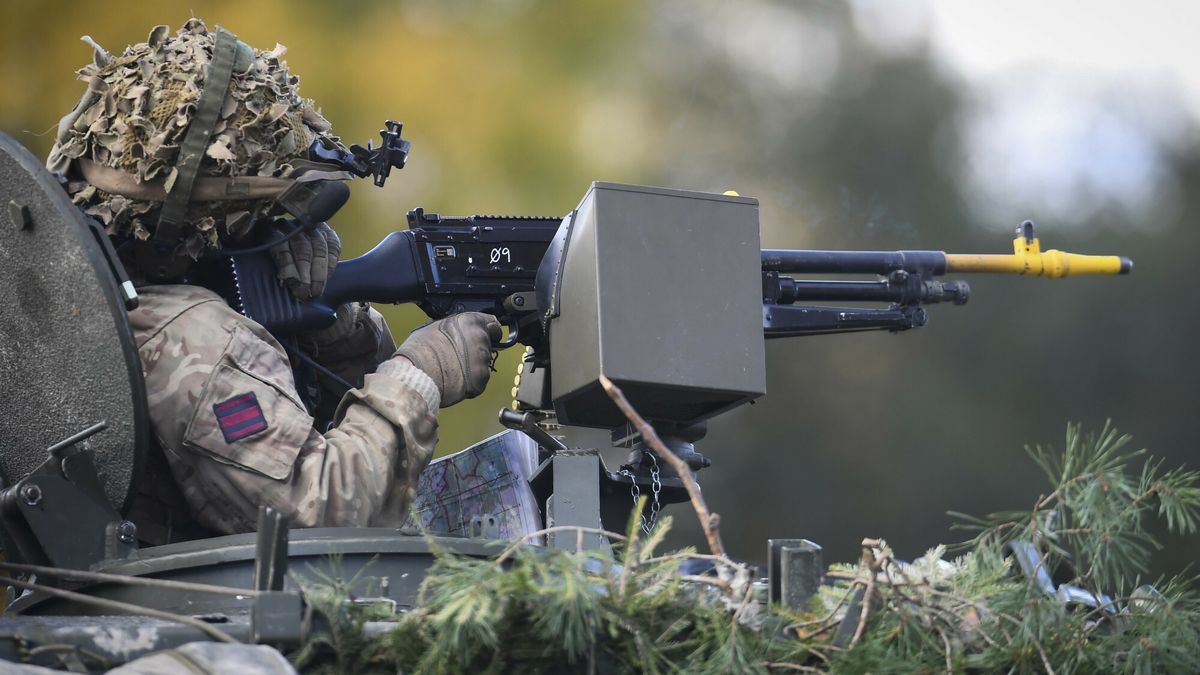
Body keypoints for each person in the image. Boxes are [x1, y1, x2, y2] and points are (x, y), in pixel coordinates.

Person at [46, 19, 499, 542]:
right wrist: (421, 374)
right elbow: (321, 513)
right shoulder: (196, 340)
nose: (284, 226)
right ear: (214, 221)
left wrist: (332, 330)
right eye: (268, 212)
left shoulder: (101, 292)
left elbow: (296, 432)